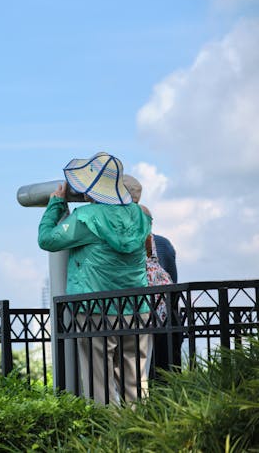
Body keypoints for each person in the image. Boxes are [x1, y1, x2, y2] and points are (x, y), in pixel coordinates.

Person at [38, 152, 152, 404]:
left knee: (98, 384)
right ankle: (143, 431)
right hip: (136, 308)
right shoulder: (141, 215)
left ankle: (107, 436)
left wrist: (56, 204)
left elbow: (47, 239)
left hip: (96, 310)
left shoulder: (86, 217)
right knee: (135, 381)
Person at [123, 175, 182, 372]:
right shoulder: (162, 244)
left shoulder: (123, 244)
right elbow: (173, 279)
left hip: (136, 319)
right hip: (166, 321)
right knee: (166, 373)